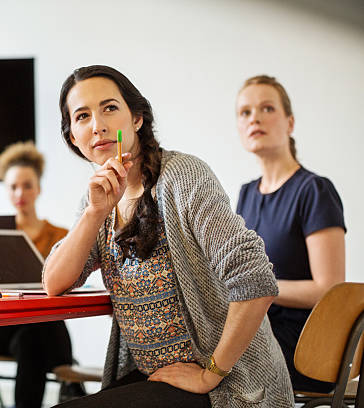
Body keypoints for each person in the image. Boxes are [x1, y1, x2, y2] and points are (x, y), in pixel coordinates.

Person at [43, 65, 293, 407]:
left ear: (137, 119)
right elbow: (54, 282)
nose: (97, 124)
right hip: (158, 379)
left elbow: (255, 279)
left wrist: (211, 372)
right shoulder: (97, 199)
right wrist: (94, 213)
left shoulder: (183, 176)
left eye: (110, 108)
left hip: (232, 386)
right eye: (82, 116)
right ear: (73, 136)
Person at [235, 75, 346, 392]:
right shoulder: (246, 195)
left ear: (290, 122)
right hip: (258, 331)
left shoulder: (314, 190)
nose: (254, 117)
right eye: (245, 112)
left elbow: (330, 290)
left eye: (267, 108)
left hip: (303, 345)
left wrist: (259, 288)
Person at [0, 141, 85, 408]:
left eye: (27, 185)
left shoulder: (61, 236)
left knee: (33, 334)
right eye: (13, 187)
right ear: (6, 191)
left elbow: (69, 284)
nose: (20, 192)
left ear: (39, 188)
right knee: (37, 332)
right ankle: (72, 381)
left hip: (36, 327)